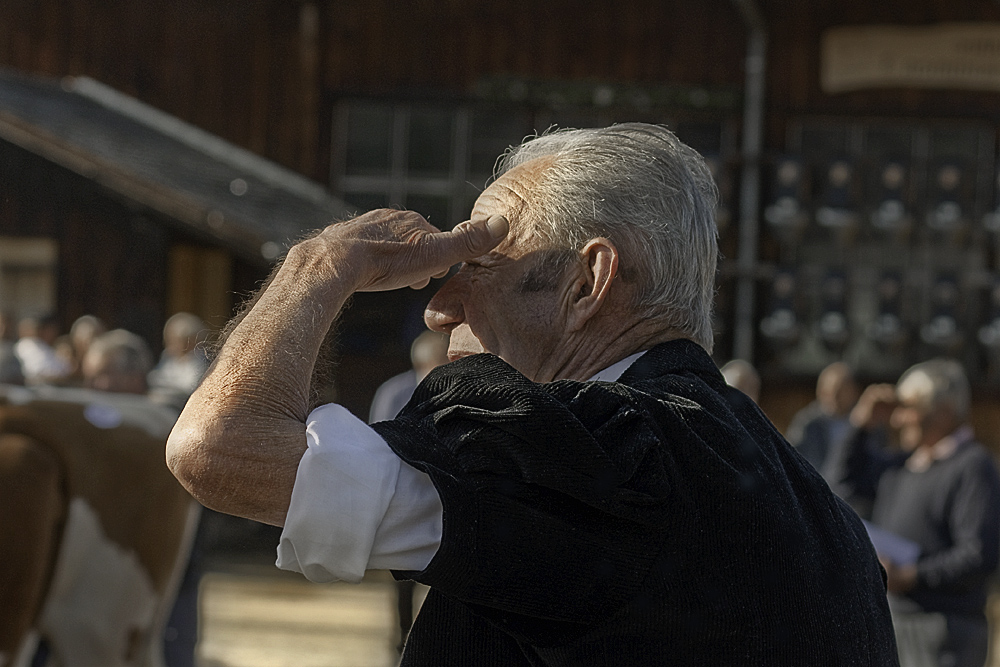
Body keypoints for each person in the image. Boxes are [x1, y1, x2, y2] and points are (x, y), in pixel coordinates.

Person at [166, 124, 898, 664]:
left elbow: (219, 446)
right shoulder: (819, 512)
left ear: (588, 280)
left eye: (476, 260)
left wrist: (321, 262)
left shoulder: (597, 452)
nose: (438, 303)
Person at [835, 359, 1000, 667]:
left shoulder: (973, 466)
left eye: (909, 407)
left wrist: (909, 577)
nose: (897, 420)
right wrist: (860, 425)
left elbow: (978, 555)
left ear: (944, 411)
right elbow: (841, 488)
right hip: (895, 620)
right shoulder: (902, 466)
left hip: (944, 630)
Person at [369, 330, 450, 651]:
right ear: (426, 362)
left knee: (444, 577)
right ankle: (402, 640)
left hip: (445, 498)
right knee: (404, 575)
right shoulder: (395, 391)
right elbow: (379, 441)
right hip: (403, 493)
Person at [786, 361, 860, 477]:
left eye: (840, 391)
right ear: (820, 392)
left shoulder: (862, 423)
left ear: (853, 391)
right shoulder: (807, 423)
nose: (835, 397)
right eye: (830, 391)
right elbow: (791, 458)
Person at [147, 313, 209, 409]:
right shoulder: (168, 356)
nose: (168, 344)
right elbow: (155, 378)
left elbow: (190, 388)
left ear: (190, 341)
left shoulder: (202, 361)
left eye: (174, 339)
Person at [15, 315, 70, 385]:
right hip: (34, 387)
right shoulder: (24, 345)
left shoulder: (42, 345)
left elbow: (63, 368)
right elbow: (34, 370)